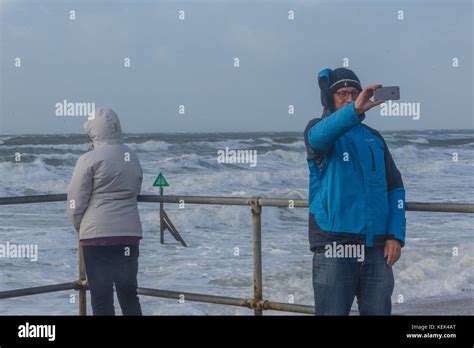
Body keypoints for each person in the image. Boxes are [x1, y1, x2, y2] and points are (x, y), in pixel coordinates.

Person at [303, 68, 406, 315]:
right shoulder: (318, 130)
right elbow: (318, 138)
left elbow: (395, 187)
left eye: (354, 93)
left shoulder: (374, 138)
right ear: (330, 98)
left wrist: (395, 235)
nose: (349, 98)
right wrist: (354, 111)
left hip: (376, 248)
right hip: (334, 247)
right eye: (342, 93)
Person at [67, 107, 144, 315]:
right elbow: (136, 188)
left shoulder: (89, 159)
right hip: (128, 235)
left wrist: (80, 227)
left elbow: (75, 200)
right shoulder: (132, 155)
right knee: (128, 294)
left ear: (93, 132)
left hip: (96, 237)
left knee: (101, 298)